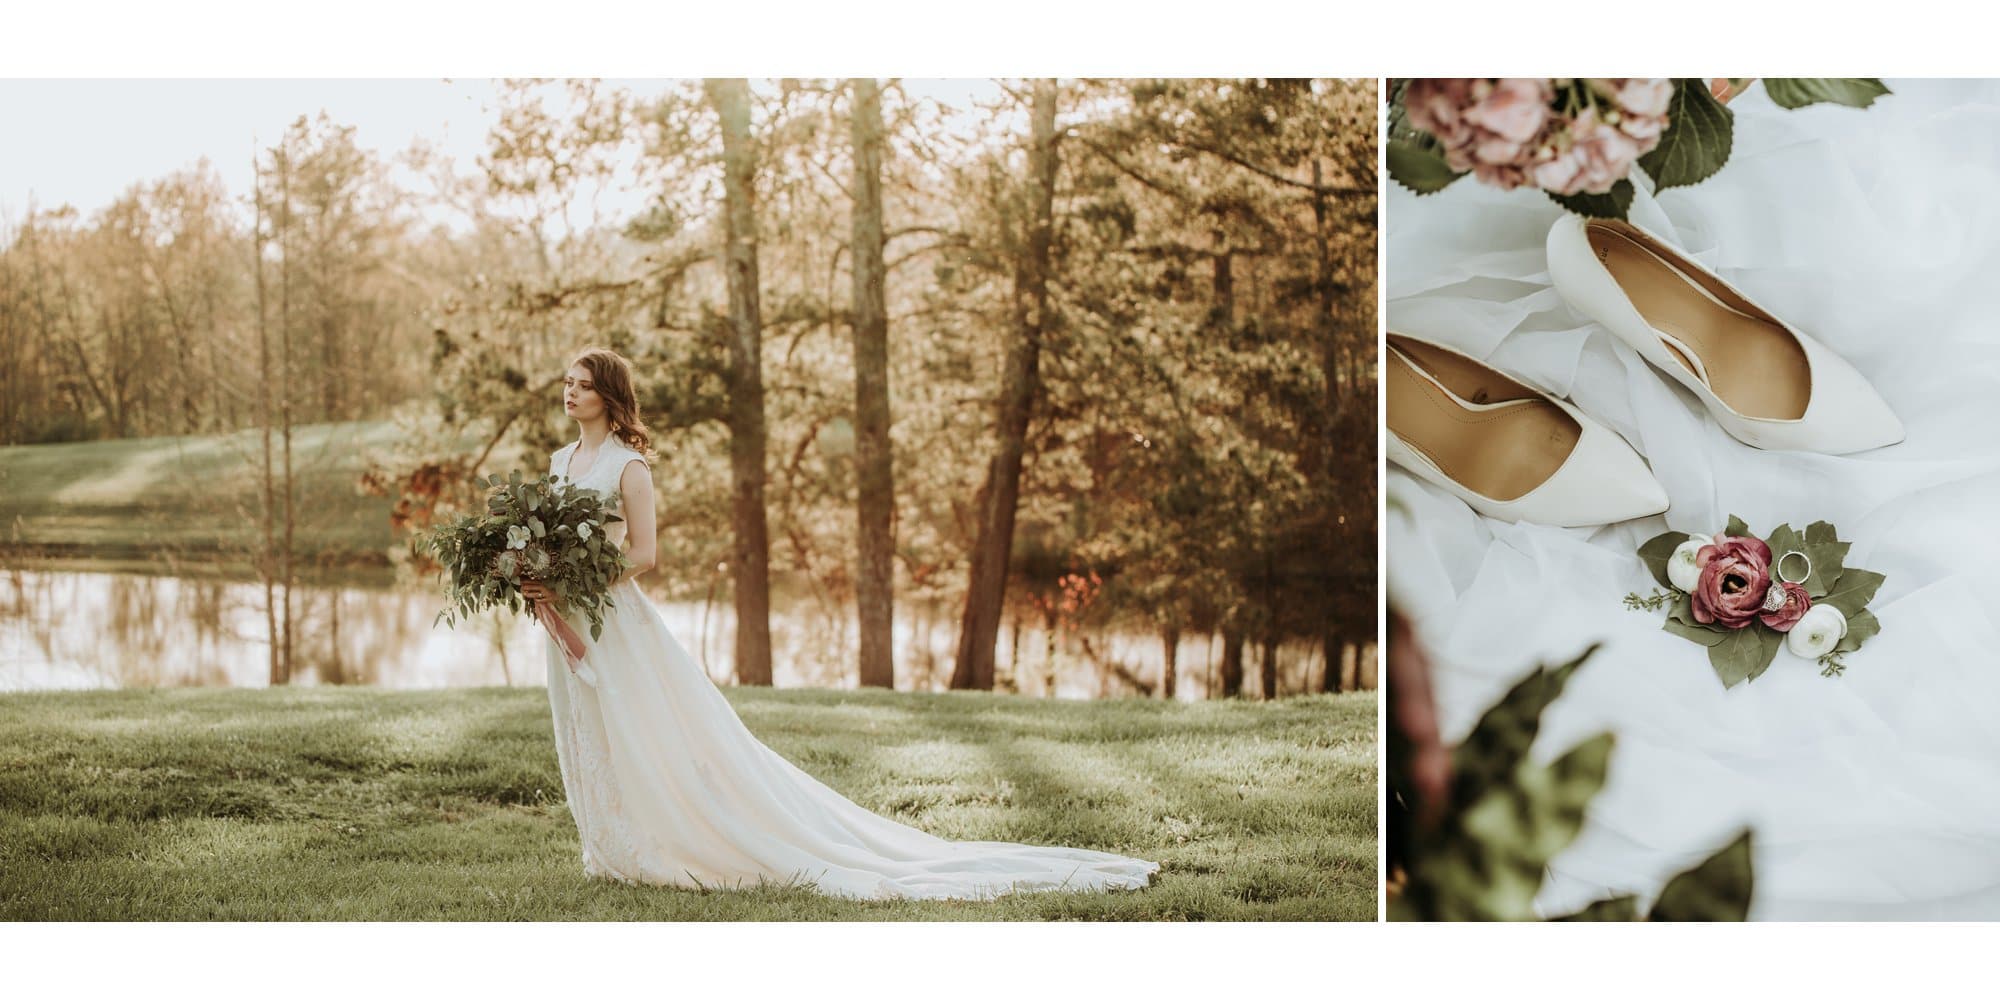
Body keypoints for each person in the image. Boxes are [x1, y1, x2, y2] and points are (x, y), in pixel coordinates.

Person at [519, 347, 1159, 900]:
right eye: (566, 384)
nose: (569, 393)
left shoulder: (628, 466)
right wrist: (530, 570)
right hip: (565, 618)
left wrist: (576, 581)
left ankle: (666, 842)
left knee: (639, 728)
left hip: (614, 619)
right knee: (583, 725)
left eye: (580, 383)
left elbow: (645, 555)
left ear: (608, 395)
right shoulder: (557, 462)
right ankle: (608, 847)